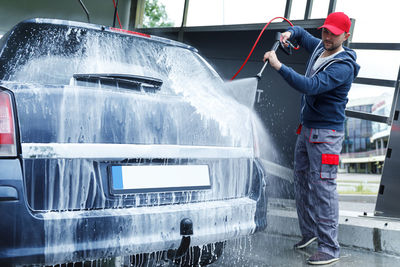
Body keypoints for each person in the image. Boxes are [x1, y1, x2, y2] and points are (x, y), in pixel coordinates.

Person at [263, 12, 360, 265]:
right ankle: (310, 233)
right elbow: (303, 35)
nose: (327, 37)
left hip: (326, 135)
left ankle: (329, 248)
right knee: (302, 181)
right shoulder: (320, 46)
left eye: (333, 34)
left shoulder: (343, 66)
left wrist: (279, 67)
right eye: (325, 31)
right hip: (307, 129)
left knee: (323, 188)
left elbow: (311, 86)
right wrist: (289, 33)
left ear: (345, 36)